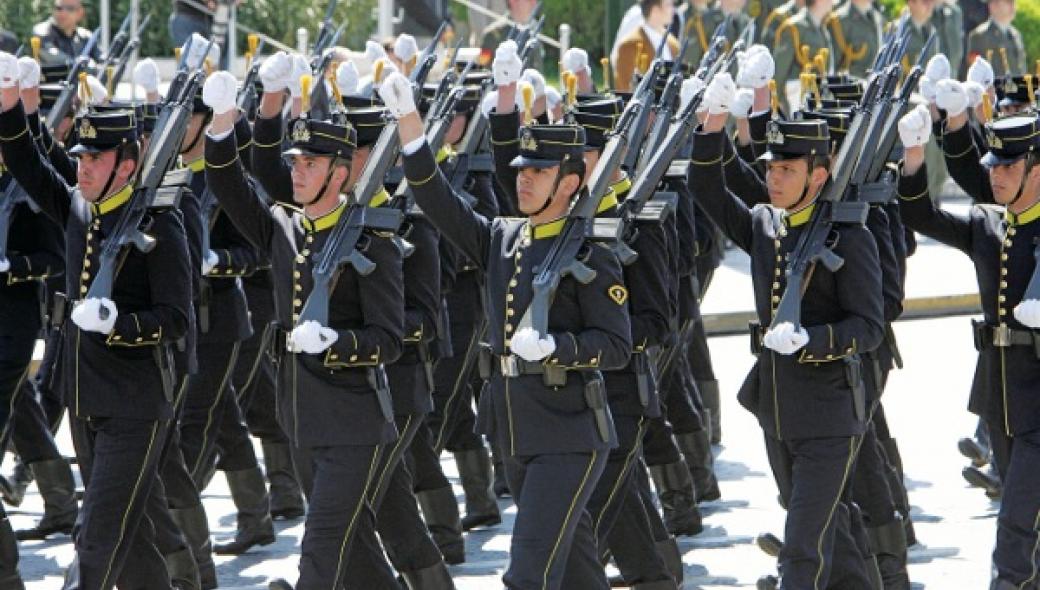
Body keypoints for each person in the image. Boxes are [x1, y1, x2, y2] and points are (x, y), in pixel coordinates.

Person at [380, 36, 634, 586]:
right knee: (574, 572)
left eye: (536, 172)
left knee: (527, 573)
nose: (521, 177)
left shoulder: (593, 253)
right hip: (514, 429)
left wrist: (558, 348)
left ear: (569, 183)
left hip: (569, 433)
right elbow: (436, 201)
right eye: (520, 169)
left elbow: (615, 346)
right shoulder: (500, 239)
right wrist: (409, 126)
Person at [202, 65, 406, 589]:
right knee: (356, 553)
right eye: (294, 161)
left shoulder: (372, 241)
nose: (297, 171)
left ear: (341, 172)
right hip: (301, 419)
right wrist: (222, 123)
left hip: (354, 422)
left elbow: (388, 338)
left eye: (310, 163)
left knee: (318, 549)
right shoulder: (284, 228)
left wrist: (337, 342)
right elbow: (228, 183)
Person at [0, 51, 193, 589]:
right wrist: (11, 104)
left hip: (135, 404)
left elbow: (176, 318)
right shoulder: (80, 210)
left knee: (95, 539)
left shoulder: (161, 223)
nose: (81, 166)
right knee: (132, 552)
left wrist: (118, 323)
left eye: (95, 158)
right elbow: (25, 163)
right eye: (80, 156)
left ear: (126, 165)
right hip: (85, 402)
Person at [690, 73, 883, 590]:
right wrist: (712, 125)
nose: (773, 179)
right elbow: (704, 185)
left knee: (800, 548)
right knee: (831, 535)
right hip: (777, 406)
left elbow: (869, 327)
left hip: (829, 412)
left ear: (818, 175)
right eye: (770, 168)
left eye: (787, 170)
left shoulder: (849, 235)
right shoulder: (764, 227)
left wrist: (813, 340)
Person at [897, 101, 1040, 590]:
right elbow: (920, 213)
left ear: (1036, 171)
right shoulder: (987, 224)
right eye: (993, 167)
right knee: (1025, 518)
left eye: (1009, 167)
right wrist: (914, 155)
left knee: (1016, 524)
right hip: (1000, 395)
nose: (996, 176)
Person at [614, 0, 680, 92]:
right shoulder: (629, 45)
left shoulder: (673, 44)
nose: (673, 9)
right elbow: (624, 90)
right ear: (655, 10)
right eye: (669, 5)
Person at [967, 0, 1027, 79]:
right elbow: (977, 74)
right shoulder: (980, 36)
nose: (1013, 6)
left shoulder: (1016, 34)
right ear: (993, 6)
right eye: (1008, 2)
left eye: (1013, 2)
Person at [33, 0, 100, 67]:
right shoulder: (41, 32)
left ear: (80, 13)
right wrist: (76, 63)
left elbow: (101, 60)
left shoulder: (86, 37)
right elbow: (51, 54)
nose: (63, 13)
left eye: (70, 8)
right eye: (59, 8)